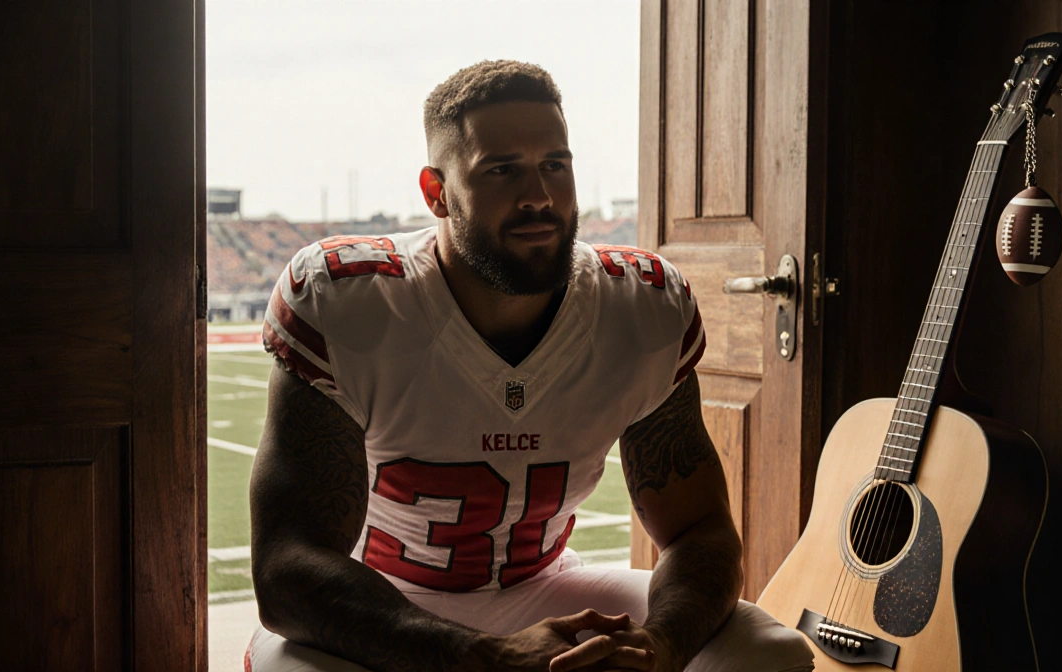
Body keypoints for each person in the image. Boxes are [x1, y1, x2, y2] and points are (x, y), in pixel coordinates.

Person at [246, 60, 813, 672]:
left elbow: (701, 531)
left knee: (769, 652)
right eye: (501, 170)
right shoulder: (348, 299)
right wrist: (487, 659)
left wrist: (660, 645)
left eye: (554, 165)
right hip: (382, 599)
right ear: (437, 193)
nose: (538, 196)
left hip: (541, 587)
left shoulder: (638, 306)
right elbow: (287, 569)